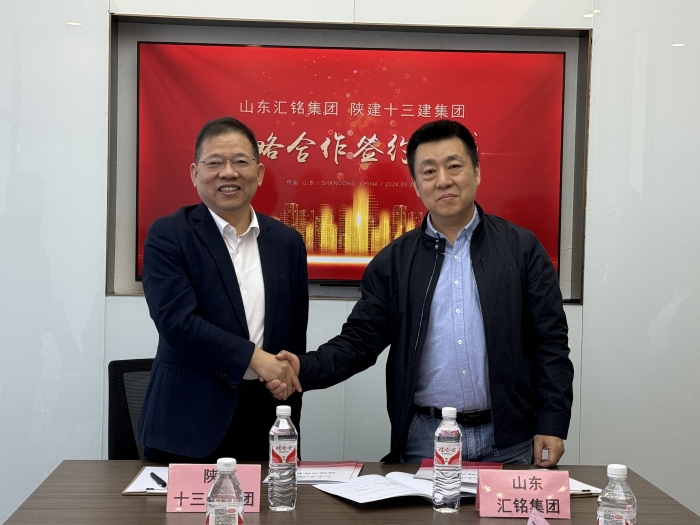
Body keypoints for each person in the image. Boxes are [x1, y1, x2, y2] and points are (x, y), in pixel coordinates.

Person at [268, 119, 573, 466]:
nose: (443, 180)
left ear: (476, 171)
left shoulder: (521, 249)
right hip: (426, 438)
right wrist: (304, 367)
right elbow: (359, 341)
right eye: (429, 172)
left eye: (454, 166)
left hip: (511, 437)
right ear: (415, 184)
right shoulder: (394, 262)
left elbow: (550, 341)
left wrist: (552, 420)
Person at [138, 116, 308, 462]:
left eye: (240, 161)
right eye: (214, 163)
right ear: (195, 173)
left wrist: (285, 382)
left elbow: (293, 332)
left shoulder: (286, 242)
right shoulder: (169, 235)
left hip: (265, 420)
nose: (228, 173)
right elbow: (177, 323)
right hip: (188, 422)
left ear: (259, 173)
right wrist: (255, 358)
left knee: (270, 500)